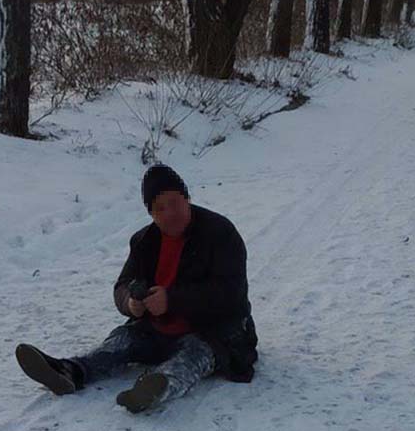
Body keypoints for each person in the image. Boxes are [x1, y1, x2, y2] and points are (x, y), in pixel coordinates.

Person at [15, 164, 258, 413]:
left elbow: (231, 294)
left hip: (213, 332)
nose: (169, 213)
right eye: (160, 208)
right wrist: (131, 303)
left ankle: (156, 388)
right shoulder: (144, 241)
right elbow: (122, 285)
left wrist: (172, 299)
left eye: (174, 203)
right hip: (156, 330)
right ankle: (70, 371)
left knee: (194, 356)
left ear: (187, 199)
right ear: (151, 214)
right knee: (121, 341)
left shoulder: (220, 233)